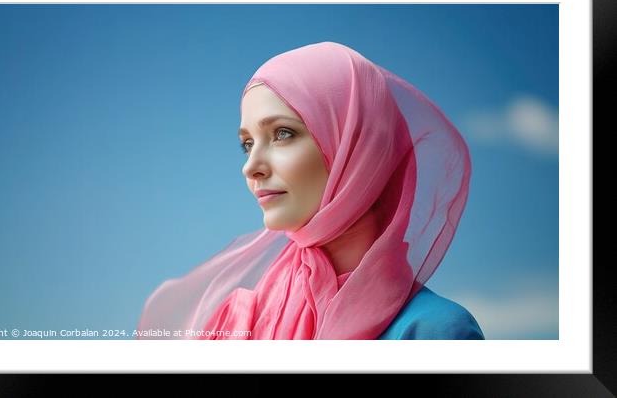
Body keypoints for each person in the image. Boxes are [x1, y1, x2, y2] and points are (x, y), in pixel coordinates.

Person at [136, 41, 485, 340]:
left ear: (356, 146)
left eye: (282, 134)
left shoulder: (434, 334)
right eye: (247, 144)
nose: (251, 166)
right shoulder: (238, 324)